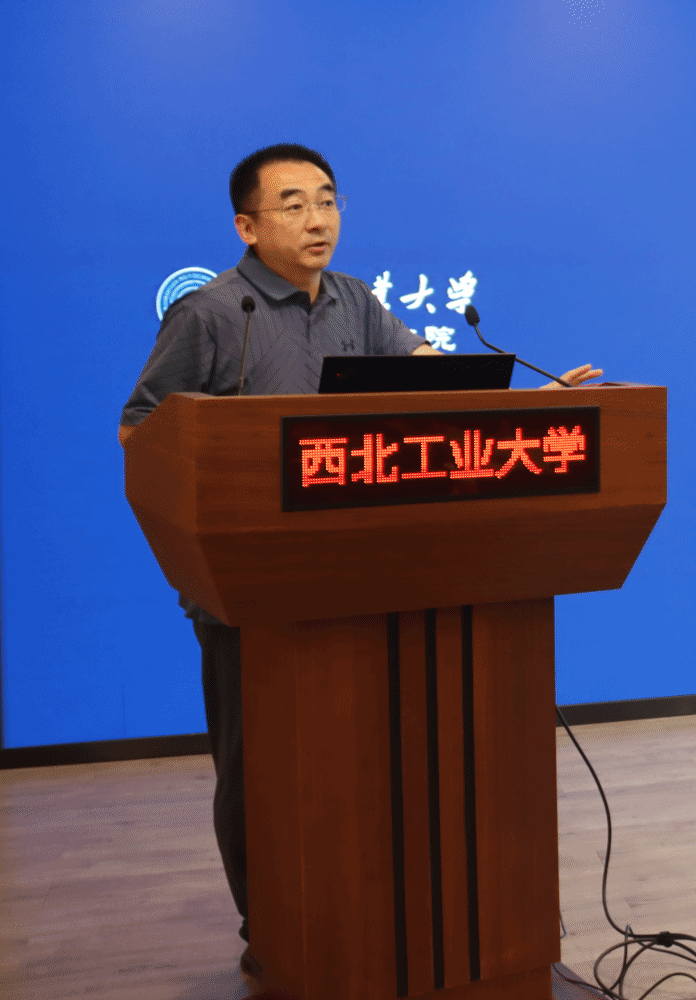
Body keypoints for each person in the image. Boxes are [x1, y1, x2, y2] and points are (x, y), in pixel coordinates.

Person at [117, 144, 600, 981]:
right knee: (257, 767)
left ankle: (373, 919)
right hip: (250, 590)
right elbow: (139, 428)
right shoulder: (211, 313)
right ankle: (269, 924)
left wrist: (531, 403)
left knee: (362, 762)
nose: (319, 219)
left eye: (328, 200)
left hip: (359, 575)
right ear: (247, 225)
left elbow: (433, 381)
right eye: (294, 204)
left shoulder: (355, 299)